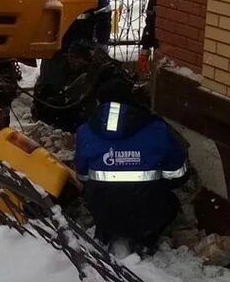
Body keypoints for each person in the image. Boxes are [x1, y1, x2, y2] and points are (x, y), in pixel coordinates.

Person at [74, 82, 189, 255]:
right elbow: (178, 172)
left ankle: (108, 230)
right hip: (146, 213)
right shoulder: (157, 129)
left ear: (99, 103)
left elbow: (82, 176)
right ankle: (146, 238)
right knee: (171, 202)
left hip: (103, 211)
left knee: (97, 193)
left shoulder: (85, 131)